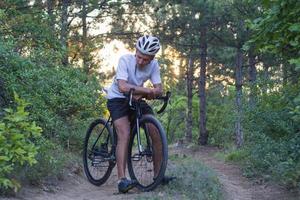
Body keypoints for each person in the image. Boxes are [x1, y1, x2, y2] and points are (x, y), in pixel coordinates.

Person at [106, 35, 174, 193]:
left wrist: (146, 92)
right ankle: (122, 180)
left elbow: (159, 89)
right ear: (135, 51)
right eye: (139, 56)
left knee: (156, 132)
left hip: (137, 98)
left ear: (152, 58)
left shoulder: (154, 65)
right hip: (117, 98)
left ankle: (158, 175)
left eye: (146, 59)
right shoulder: (125, 60)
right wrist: (147, 91)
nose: (141, 61)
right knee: (125, 133)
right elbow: (122, 87)